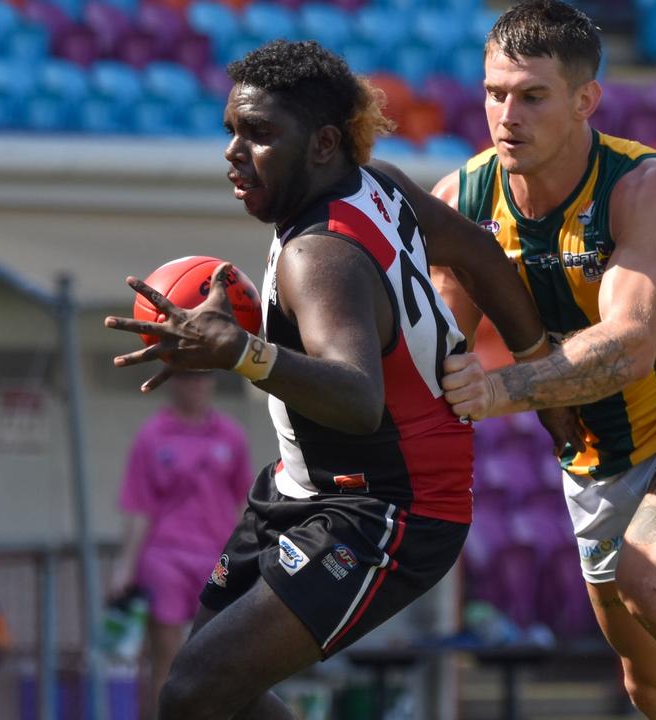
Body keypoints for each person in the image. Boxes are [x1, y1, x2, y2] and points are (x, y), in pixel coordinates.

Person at [104, 39, 561, 720]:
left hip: (390, 509)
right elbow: (479, 252)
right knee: (216, 688)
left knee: (192, 693)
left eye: (258, 134)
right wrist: (542, 368)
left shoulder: (317, 255)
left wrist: (240, 353)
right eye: (231, 130)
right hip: (305, 488)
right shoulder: (381, 186)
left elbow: (357, 398)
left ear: (322, 144)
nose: (233, 151)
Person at [433, 2, 656, 718]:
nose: (507, 115)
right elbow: (428, 347)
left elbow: (628, 349)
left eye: (532, 96)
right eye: (495, 93)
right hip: (594, 462)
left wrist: (495, 392)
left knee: (654, 581)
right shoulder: (463, 201)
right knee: (645, 683)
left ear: (586, 99)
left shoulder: (648, 187)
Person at [107, 371, 252, 720]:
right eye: (187, 377)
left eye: (203, 377)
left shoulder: (230, 436)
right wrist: (124, 567)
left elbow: (243, 506)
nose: (196, 385)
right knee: (168, 661)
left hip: (216, 557)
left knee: (218, 659)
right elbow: (139, 508)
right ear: (172, 381)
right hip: (164, 557)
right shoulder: (152, 436)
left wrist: (249, 559)